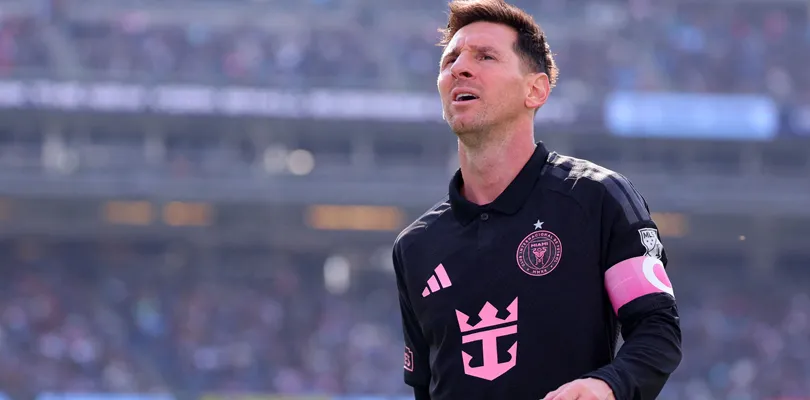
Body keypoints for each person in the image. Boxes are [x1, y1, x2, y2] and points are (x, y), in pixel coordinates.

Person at [391, 0, 682, 399]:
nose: (459, 68)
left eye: (485, 56)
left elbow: (658, 329)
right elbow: (425, 388)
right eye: (450, 60)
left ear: (535, 90)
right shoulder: (415, 246)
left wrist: (607, 385)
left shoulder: (597, 198)